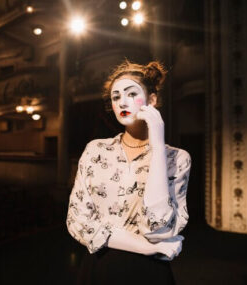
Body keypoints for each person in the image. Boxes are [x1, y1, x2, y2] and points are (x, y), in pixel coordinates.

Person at [66, 59, 192, 284]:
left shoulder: (177, 158)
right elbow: (78, 221)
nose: (122, 102)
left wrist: (157, 141)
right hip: (100, 267)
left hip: (148, 273)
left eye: (132, 94)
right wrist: (145, 247)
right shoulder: (96, 150)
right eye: (116, 97)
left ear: (152, 100)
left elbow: (159, 229)